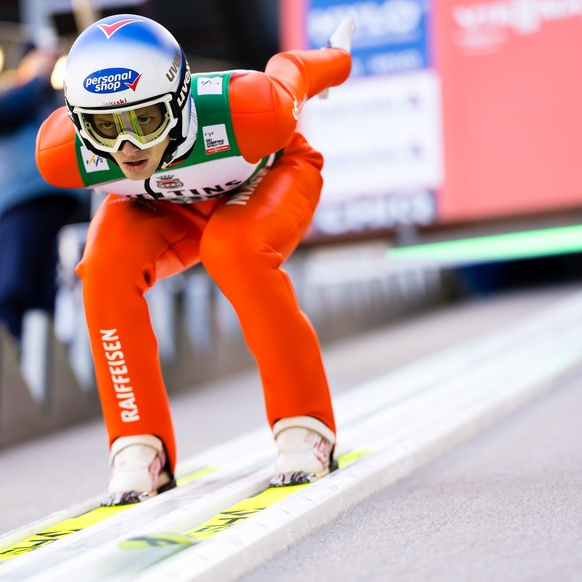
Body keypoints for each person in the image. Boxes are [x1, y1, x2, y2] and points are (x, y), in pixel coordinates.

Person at [36, 14, 356, 505]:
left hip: (267, 178)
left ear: (181, 101)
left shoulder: (251, 108)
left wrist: (339, 58)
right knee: (103, 268)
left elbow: (292, 67)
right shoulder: (62, 151)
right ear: (80, 124)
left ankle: (304, 421)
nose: (128, 148)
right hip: (164, 203)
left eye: (145, 120)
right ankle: (137, 442)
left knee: (234, 251)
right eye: (105, 128)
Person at [0, 45, 89, 340]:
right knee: (15, 284)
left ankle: (35, 359)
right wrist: (37, 78)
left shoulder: (53, 100)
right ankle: (3, 354)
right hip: (17, 203)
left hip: (57, 203)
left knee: (46, 291)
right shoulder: (5, 97)